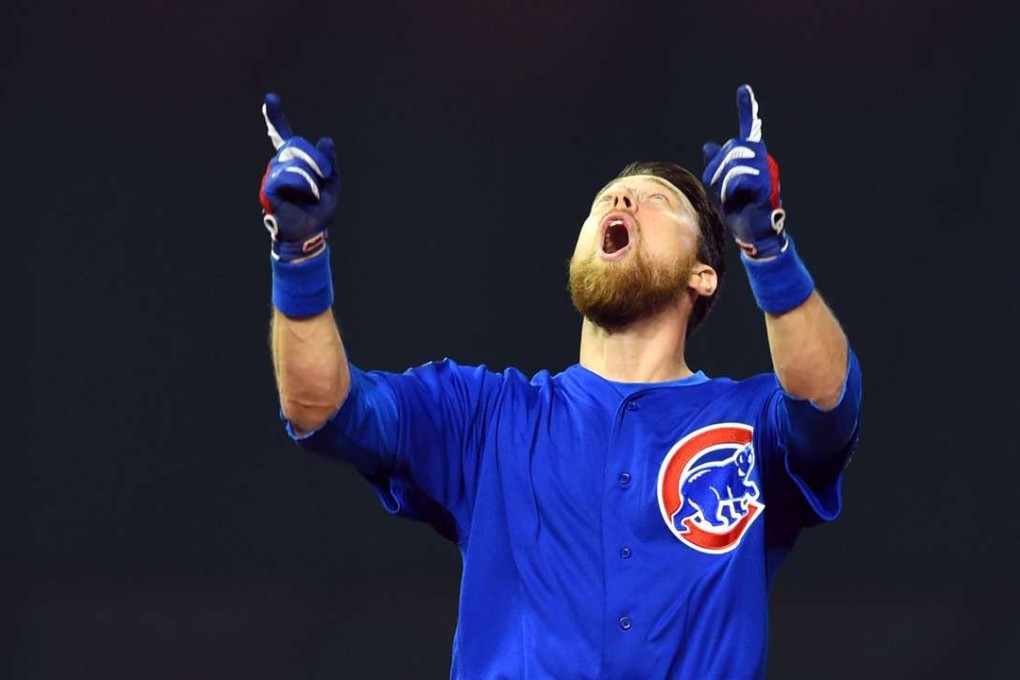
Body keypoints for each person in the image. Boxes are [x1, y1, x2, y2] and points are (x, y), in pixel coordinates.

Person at [258, 85, 862, 679]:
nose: (620, 203)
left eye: (654, 200)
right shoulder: (485, 415)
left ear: (703, 275)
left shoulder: (750, 421)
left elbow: (826, 398)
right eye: (606, 200)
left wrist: (767, 247)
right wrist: (299, 256)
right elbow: (321, 408)